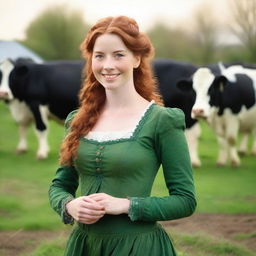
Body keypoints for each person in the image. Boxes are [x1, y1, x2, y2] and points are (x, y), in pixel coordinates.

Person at [49, 15, 196, 256]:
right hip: (85, 247)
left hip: (138, 247)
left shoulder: (162, 121)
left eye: (119, 55)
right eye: (99, 56)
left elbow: (185, 200)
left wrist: (127, 205)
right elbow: (60, 186)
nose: (108, 65)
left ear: (137, 59)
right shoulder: (76, 120)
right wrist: (69, 205)